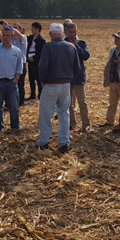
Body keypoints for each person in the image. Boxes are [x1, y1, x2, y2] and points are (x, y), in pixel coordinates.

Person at [37, 23, 81, 154]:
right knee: (64, 114)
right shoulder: (71, 46)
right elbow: (77, 67)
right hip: (66, 85)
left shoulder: (48, 46)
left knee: (46, 115)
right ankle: (64, 142)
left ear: (50, 34)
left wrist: (43, 81)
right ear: (63, 34)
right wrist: (70, 80)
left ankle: (44, 141)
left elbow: (42, 66)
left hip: (51, 84)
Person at [64, 22, 91, 131]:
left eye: (74, 32)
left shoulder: (82, 43)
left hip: (79, 77)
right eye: (70, 32)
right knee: (68, 103)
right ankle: (71, 123)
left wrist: (76, 46)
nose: (72, 34)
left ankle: (86, 124)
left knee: (82, 102)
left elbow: (86, 56)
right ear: (65, 32)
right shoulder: (63, 44)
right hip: (67, 77)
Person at [101, 31, 120, 128]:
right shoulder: (112, 50)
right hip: (112, 80)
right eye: (115, 38)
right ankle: (109, 121)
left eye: (118, 38)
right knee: (112, 103)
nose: (116, 40)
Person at [26, 22, 46, 100]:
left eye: (33, 28)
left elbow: (41, 52)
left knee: (38, 78)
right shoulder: (30, 38)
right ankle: (32, 94)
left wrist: (34, 58)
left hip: (37, 61)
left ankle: (40, 94)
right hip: (29, 60)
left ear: (37, 29)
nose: (31, 29)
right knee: (31, 78)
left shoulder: (42, 40)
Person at [11, 22, 28, 106]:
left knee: (20, 84)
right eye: (13, 27)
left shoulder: (23, 37)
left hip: (21, 64)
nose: (14, 29)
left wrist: (10, 28)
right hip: (12, 65)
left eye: (16, 27)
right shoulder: (12, 39)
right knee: (12, 85)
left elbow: (19, 35)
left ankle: (20, 102)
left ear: (20, 30)